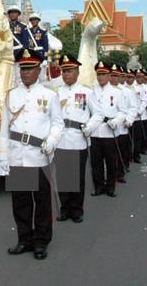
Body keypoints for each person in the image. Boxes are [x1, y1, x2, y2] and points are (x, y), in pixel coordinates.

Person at [0, 48, 64, 260]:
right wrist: (3, 156)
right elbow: (3, 130)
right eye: (23, 68)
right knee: (20, 202)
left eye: (30, 68)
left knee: (42, 202)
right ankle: (24, 239)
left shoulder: (49, 95)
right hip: (17, 155)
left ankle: (41, 242)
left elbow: (58, 124)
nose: (25, 72)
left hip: (39, 155)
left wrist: (52, 142)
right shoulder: (10, 96)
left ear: (39, 70)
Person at [55, 54, 103, 223]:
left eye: (69, 71)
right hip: (60, 139)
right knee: (62, 176)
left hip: (78, 138)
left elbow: (98, 114)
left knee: (77, 176)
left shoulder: (86, 92)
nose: (66, 74)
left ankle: (77, 209)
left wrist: (89, 127)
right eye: (63, 71)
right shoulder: (56, 93)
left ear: (77, 72)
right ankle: (65, 208)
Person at [91, 62, 126, 197]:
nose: (101, 77)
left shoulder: (116, 92)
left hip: (109, 131)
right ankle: (99, 186)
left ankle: (110, 187)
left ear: (109, 75)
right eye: (99, 74)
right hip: (95, 131)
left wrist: (116, 122)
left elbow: (123, 111)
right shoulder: (91, 91)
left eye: (104, 74)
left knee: (111, 161)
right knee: (96, 162)